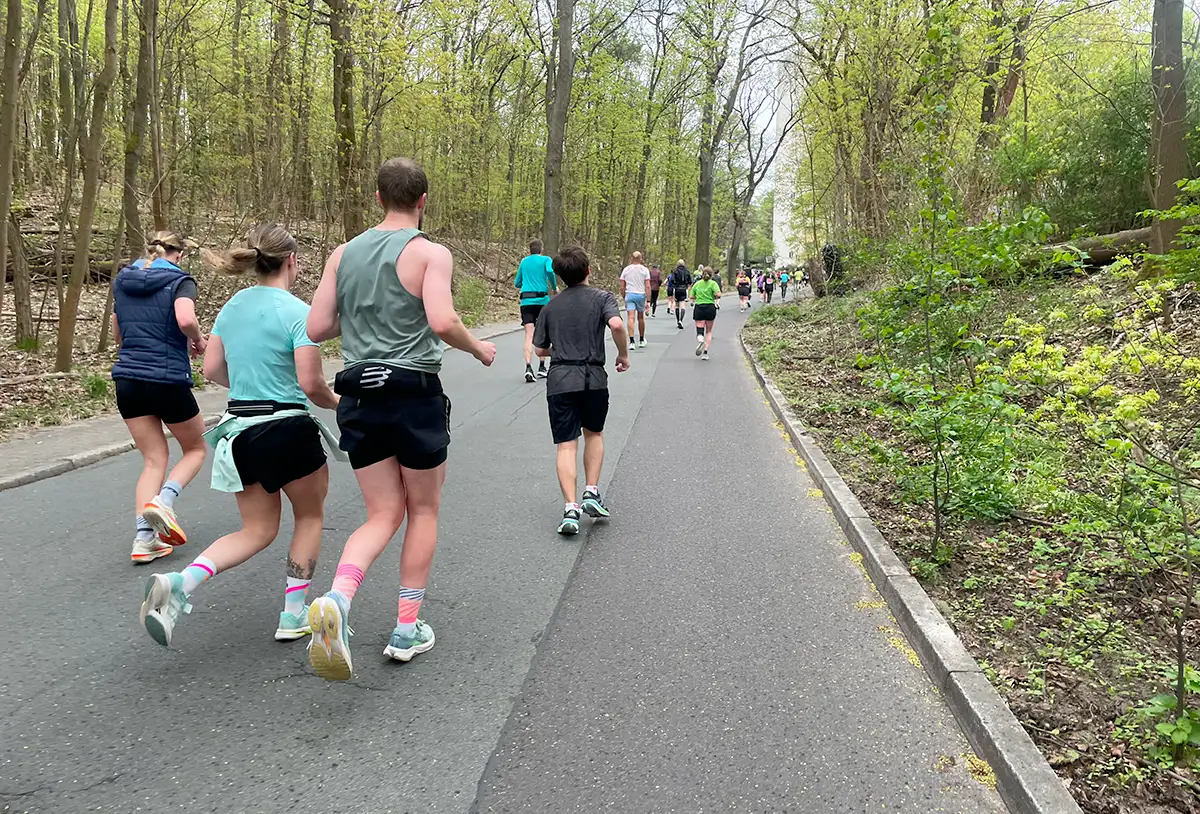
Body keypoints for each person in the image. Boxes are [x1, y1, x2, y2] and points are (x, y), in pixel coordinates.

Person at [304, 158, 497, 681]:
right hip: (412, 394)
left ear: (377, 197)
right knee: (423, 510)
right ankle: (406, 628)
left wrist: (363, 313)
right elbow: (442, 319)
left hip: (359, 397)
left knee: (381, 512)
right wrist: (479, 348)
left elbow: (317, 327)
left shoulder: (342, 254)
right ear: (423, 200)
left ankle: (338, 599)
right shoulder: (431, 253)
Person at [139, 224, 344, 647]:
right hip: (288, 429)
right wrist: (341, 403)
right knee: (309, 517)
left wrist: (252, 384)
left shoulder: (231, 307)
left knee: (255, 530)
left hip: (240, 432)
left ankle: (180, 582)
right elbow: (311, 384)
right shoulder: (299, 312)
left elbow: (213, 369)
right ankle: (292, 615)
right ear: (292, 261)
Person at [111, 231, 209, 565]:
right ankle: (164, 501)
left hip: (128, 380)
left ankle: (144, 539)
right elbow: (185, 318)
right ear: (178, 254)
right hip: (166, 379)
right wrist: (198, 340)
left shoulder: (123, 280)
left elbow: (118, 333)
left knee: (153, 459)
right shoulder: (180, 281)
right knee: (196, 448)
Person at [532, 246, 629, 535]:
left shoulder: (550, 306)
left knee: (566, 444)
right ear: (588, 270)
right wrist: (623, 354)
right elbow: (617, 325)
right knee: (594, 434)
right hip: (593, 379)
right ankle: (591, 492)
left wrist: (561, 349)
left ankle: (570, 509)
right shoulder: (602, 298)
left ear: (560, 277)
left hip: (560, 380)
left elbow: (539, 350)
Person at [515, 239, 557, 383]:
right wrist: (554, 287)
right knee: (543, 333)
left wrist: (526, 282)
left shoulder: (524, 262)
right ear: (541, 249)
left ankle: (528, 367)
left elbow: (517, 283)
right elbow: (550, 271)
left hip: (526, 301)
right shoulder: (546, 260)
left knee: (529, 335)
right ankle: (542, 366)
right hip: (542, 301)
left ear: (530, 250)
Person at [620, 251, 651, 349]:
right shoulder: (644, 270)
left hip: (629, 294)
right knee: (640, 317)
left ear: (631, 258)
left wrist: (624, 296)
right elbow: (648, 286)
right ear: (640, 259)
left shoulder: (626, 270)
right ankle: (641, 340)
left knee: (630, 317)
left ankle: (632, 342)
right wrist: (648, 300)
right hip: (640, 295)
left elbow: (622, 285)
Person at [690, 267, 721, 361]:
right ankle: (705, 352)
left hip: (699, 307)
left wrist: (696, 297)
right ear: (711, 275)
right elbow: (718, 294)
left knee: (699, 331)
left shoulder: (697, 284)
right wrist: (713, 295)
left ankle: (701, 341)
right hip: (710, 308)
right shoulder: (713, 284)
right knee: (709, 331)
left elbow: (692, 296)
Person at [667, 260, 692, 329]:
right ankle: (681, 320)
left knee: (677, 305)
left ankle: (678, 320)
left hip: (677, 289)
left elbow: (672, 280)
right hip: (684, 289)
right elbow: (690, 281)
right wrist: (687, 284)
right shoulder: (687, 271)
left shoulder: (675, 271)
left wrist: (675, 284)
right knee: (683, 304)